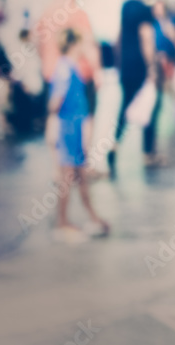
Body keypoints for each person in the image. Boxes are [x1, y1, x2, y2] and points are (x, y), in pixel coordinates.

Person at [49, 29, 109, 243]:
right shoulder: (66, 68)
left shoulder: (70, 67)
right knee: (69, 176)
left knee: (80, 176)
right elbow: (55, 101)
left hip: (73, 127)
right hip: (70, 128)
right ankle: (62, 222)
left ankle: (91, 217)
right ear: (74, 44)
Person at [36, 0, 101, 145]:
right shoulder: (76, 12)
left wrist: (46, 63)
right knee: (86, 117)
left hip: (51, 71)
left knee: (54, 116)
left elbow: (37, 42)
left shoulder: (47, 11)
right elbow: (87, 43)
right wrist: (97, 72)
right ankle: (84, 163)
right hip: (78, 74)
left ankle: (58, 167)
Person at [111, 0, 161, 175]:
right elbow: (146, 37)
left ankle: (114, 144)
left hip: (126, 65)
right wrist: (151, 67)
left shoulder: (126, 7)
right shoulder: (143, 10)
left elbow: (119, 36)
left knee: (125, 106)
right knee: (151, 107)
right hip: (140, 65)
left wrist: (118, 60)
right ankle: (147, 153)